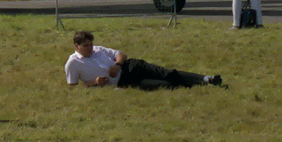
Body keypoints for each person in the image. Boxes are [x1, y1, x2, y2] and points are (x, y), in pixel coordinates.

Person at [65, 31, 224, 90]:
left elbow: (121, 54)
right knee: (164, 86)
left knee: (165, 73)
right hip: (122, 83)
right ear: (77, 46)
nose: (90, 48)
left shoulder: (99, 50)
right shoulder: (73, 63)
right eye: (86, 46)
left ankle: (205, 78)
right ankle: (203, 87)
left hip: (129, 67)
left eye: (91, 44)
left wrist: (117, 64)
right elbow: (72, 87)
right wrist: (94, 82)